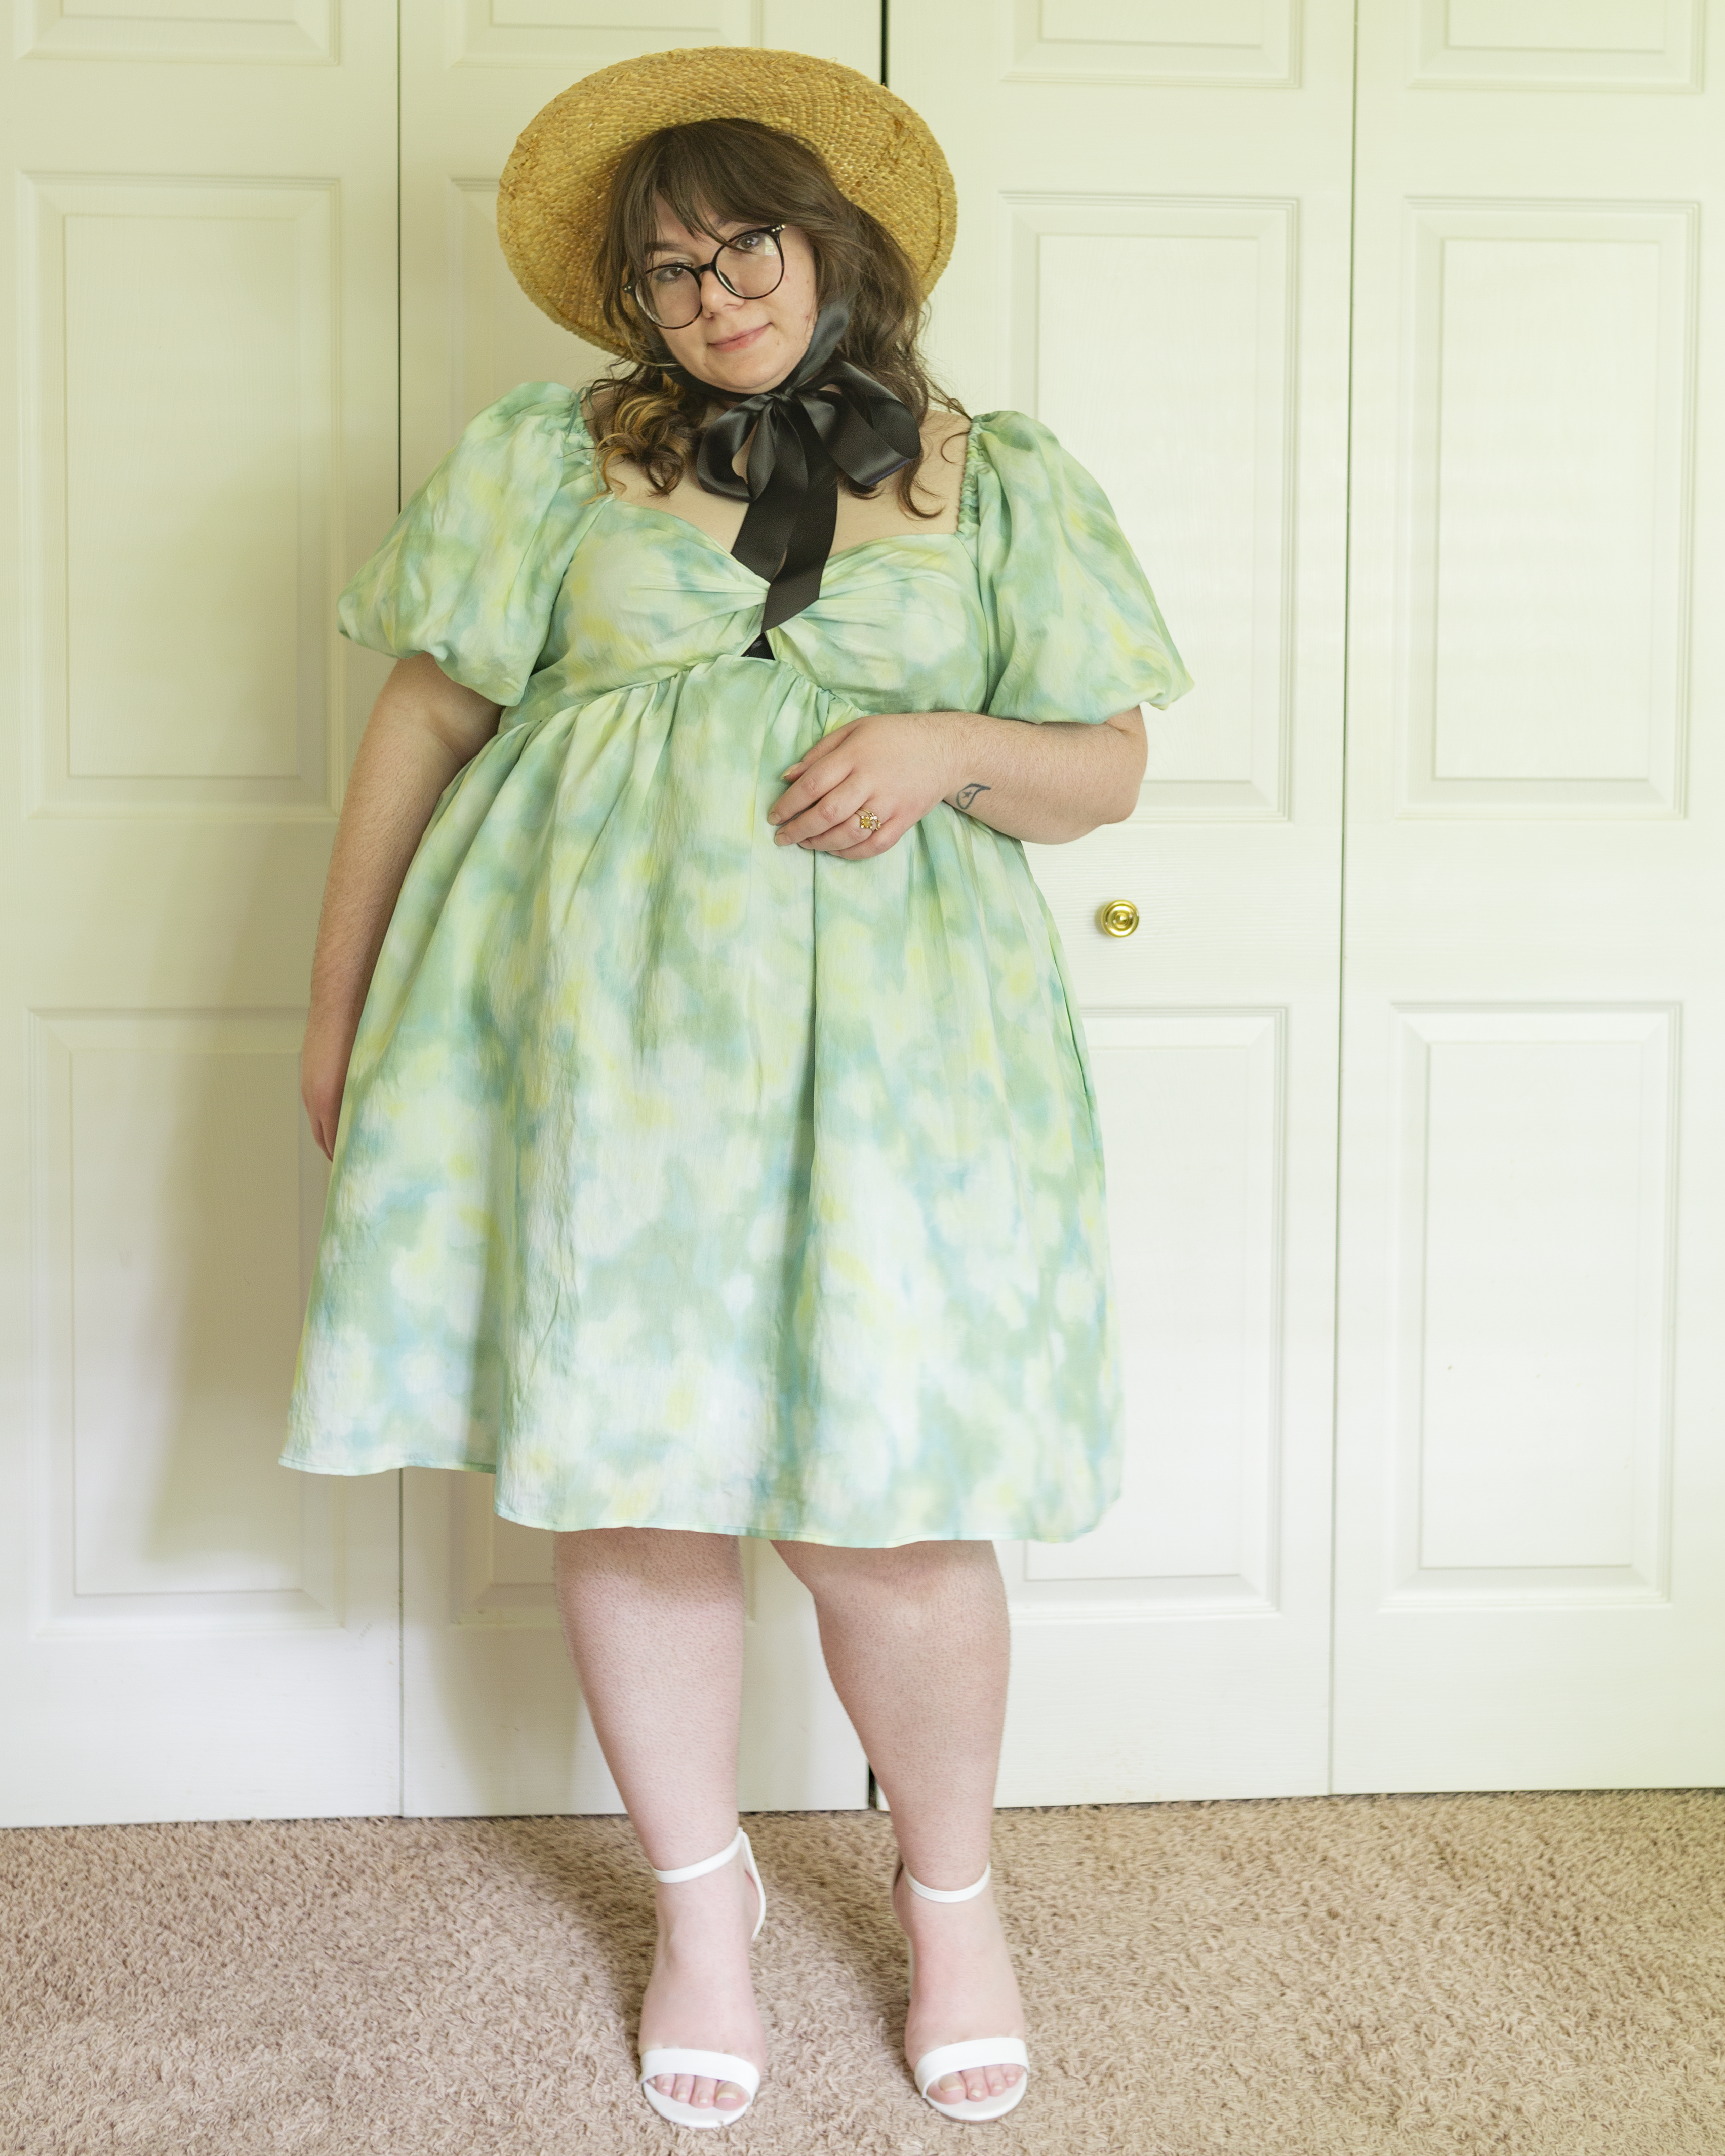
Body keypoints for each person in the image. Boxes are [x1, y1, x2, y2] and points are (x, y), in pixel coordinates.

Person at [280, 44, 1190, 2133]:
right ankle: (701, 1904)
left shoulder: (999, 474)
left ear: (832, 242)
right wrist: (329, 1021)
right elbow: (416, 730)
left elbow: (1106, 766)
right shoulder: (548, 454)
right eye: (666, 267)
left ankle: (948, 1897)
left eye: (744, 243)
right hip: (590, 1053)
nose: (711, 294)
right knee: (639, 1476)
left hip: (905, 1072)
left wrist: (949, 747)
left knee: (888, 1504)